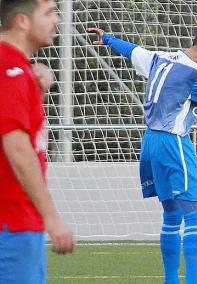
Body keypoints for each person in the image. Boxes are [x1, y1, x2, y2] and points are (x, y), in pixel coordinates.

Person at [86, 27, 197, 284]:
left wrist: (108, 39)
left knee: (172, 214)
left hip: (150, 143)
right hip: (174, 142)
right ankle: (191, 280)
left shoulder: (161, 57)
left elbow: (132, 50)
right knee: (195, 215)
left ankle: (170, 279)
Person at [0, 0, 76, 283]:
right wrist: (52, 217)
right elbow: (17, 148)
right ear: (22, 21)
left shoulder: (19, 69)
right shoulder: (10, 70)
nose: (56, 20)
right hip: (11, 223)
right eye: (49, 13)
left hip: (19, 222)